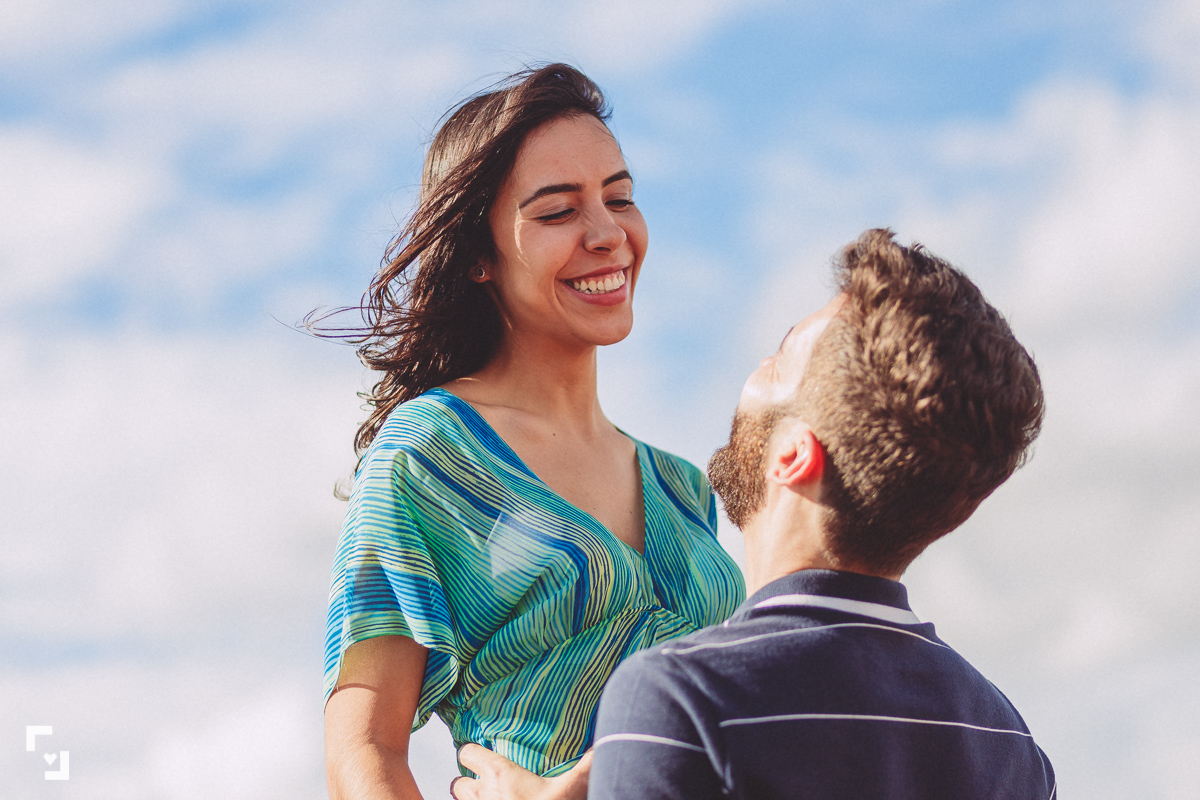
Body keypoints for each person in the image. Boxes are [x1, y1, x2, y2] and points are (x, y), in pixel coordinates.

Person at [320, 64, 745, 800]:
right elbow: (362, 750)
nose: (608, 234)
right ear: (478, 256)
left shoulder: (682, 488)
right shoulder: (429, 455)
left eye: (620, 199)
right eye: (557, 212)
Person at [587, 229, 1056, 799]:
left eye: (780, 357)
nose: (758, 366)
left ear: (793, 455)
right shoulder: (1009, 743)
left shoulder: (680, 699)